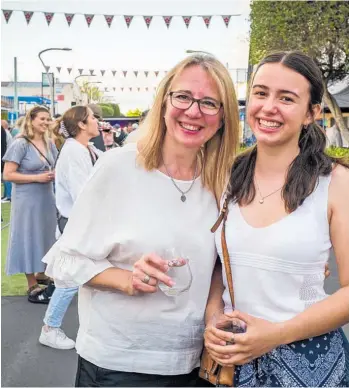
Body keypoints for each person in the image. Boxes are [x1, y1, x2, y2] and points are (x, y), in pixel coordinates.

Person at [42, 53, 240, 386]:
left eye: (209, 103)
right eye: (183, 97)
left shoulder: (222, 181)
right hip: (119, 363)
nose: (194, 111)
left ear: (223, 117)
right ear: (164, 102)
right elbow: (64, 260)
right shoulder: (118, 167)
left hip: (195, 363)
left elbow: (221, 262)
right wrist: (126, 279)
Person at [204, 51, 349, 386]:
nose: (269, 107)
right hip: (232, 362)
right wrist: (213, 316)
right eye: (261, 93)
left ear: (312, 112)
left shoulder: (335, 182)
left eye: (286, 98)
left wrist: (277, 334)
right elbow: (217, 266)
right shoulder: (225, 175)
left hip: (310, 364)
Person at [39, 105, 102, 350]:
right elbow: (82, 193)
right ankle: (50, 328)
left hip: (82, 221)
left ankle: (54, 327)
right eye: (92, 118)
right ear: (82, 125)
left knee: (79, 277)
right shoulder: (74, 151)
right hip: (76, 222)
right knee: (69, 280)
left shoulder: (87, 148)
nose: (97, 121)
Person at [3, 106, 57, 303]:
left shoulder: (49, 143)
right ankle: (31, 282)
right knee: (27, 236)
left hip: (47, 197)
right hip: (26, 199)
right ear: (31, 119)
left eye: (48, 119)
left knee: (46, 235)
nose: (45, 122)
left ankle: (42, 272)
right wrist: (37, 178)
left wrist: (54, 176)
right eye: (42, 118)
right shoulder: (20, 144)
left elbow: (57, 166)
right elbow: (7, 174)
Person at [1, 120, 13, 202]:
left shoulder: (4, 133)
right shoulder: (6, 133)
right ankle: (6, 195)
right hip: (7, 155)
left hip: (7, 156)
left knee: (6, 177)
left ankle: (8, 195)